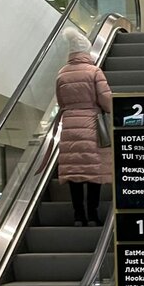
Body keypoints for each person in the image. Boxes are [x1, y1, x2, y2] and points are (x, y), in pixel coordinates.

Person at [56, 27, 113, 226]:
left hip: (69, 125)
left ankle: (78, 215)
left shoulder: (62, 73)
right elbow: (106, 101)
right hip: (91, 125)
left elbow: (61, 102)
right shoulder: (94, 71)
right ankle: (93, 215)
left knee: (75, 172)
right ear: (86, 52)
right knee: (94, 171)